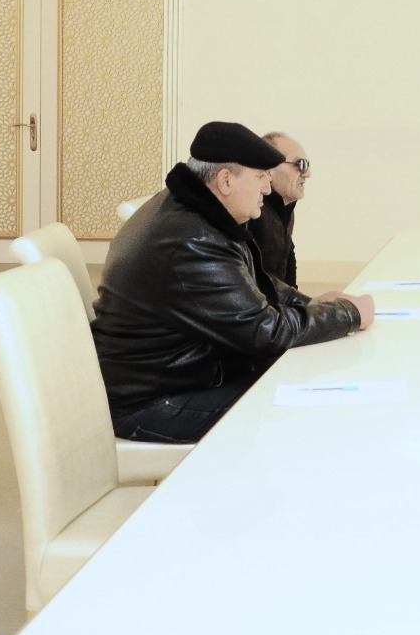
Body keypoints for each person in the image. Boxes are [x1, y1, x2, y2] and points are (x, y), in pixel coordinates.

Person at [92, 121, 374, 443]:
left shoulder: (192, 210)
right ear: (225, 180)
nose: (267, 189)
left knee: (305, 378)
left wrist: (309, 304)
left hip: (182, 378)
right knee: (303, 403)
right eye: (260, 177)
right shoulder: (193, 241)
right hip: (153, 404)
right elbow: (265, 332)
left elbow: (250, 281)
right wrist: (349, 314)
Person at [249, 130, 308, 286]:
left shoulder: (285, 210)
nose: (307, 173)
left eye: (307, 165)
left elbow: (287, 274)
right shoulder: (252, 211)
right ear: (268, 169)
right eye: (300, 164)